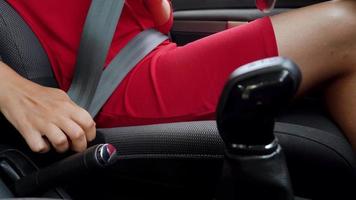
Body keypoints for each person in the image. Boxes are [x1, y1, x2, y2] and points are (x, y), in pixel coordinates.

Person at [1, 0, 356, 153]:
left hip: (145, 52)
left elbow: (158, 16)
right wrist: (13, 89)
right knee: (347, 27)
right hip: (109, 87)